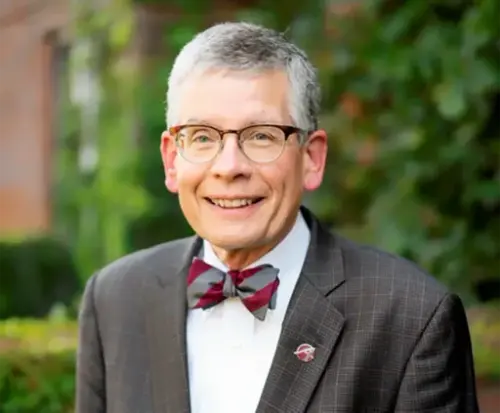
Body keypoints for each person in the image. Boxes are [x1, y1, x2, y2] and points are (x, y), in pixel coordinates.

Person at [76, 22, 479, 413]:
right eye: (202, 137)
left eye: (261, 136)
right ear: (171, 160)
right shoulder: (114, 299)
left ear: (312, 158)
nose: (229, 167)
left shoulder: (411, 318)